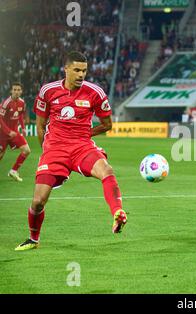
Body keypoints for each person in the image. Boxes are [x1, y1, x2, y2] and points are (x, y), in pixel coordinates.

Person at [15, 51, 127, 251]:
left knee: (107, 171)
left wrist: (85, 134)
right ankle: (33, 238)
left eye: (84, 70)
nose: (81, 75)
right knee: (38, 201)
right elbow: (40, 126)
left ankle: (118, 213)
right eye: (76, 70)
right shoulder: (48, 91)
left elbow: (107, 124)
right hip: (55, 148)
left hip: (81, 146)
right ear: (65, 69)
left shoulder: (95, 93)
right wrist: (46, 151)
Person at [0, 82, 31, 182]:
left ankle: (13, 171)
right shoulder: (6, 103)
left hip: (14, 132)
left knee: (26, 150)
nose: (16, 92)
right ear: (11, 91)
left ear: (21, 91)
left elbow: (20, 114)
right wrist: (8, 131)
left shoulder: (22, 102)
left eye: (18, 90)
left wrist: (23, 128)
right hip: (2, 134)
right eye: (14, 90)